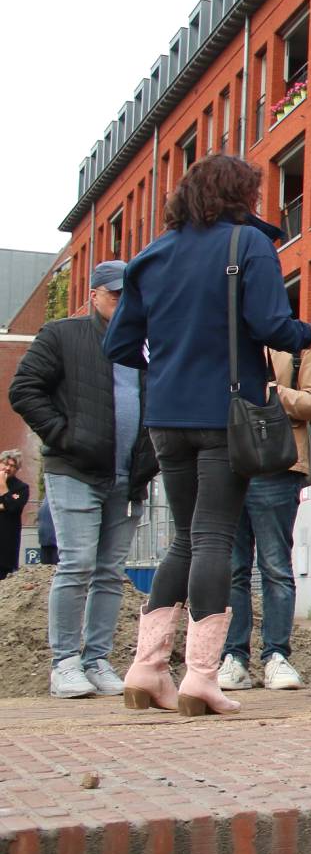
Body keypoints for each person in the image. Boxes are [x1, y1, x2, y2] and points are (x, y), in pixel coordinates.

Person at [103, 159, 311, 716]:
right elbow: (274, 327)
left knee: (184, 537)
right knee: (211, 537)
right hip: (224, 412)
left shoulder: (151, 256)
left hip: (166, 415)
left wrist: (169, 369)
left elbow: (119, 345)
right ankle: (202, 674)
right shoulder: (246, 245)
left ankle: (147, 666)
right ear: (240, 195)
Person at [9, 261, 160, 698]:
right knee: (77, 565)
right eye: (116, 295)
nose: (125, 302)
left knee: (110, 572)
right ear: (93, 295)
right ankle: (65, 664)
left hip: (128, 477)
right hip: (76, 470)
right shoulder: (63, 335)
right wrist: (63, 435)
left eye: (131, 295)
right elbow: (24, 389)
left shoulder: (149, 345)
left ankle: (96, 660)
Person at [218, 344, 311, 691]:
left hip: (278, 466)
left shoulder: (302, 346)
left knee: (275, 566)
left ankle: (276, 656)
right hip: (228, 464)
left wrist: (274, 394)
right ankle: (233, 657)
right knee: (232, 568)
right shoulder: (220, 342)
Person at [0, 450, 27, 581]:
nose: (8, 468)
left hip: (6, 543)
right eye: (5, 464)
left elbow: (14, 508)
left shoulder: (21, 488)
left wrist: (3, 487)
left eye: (12, 466)